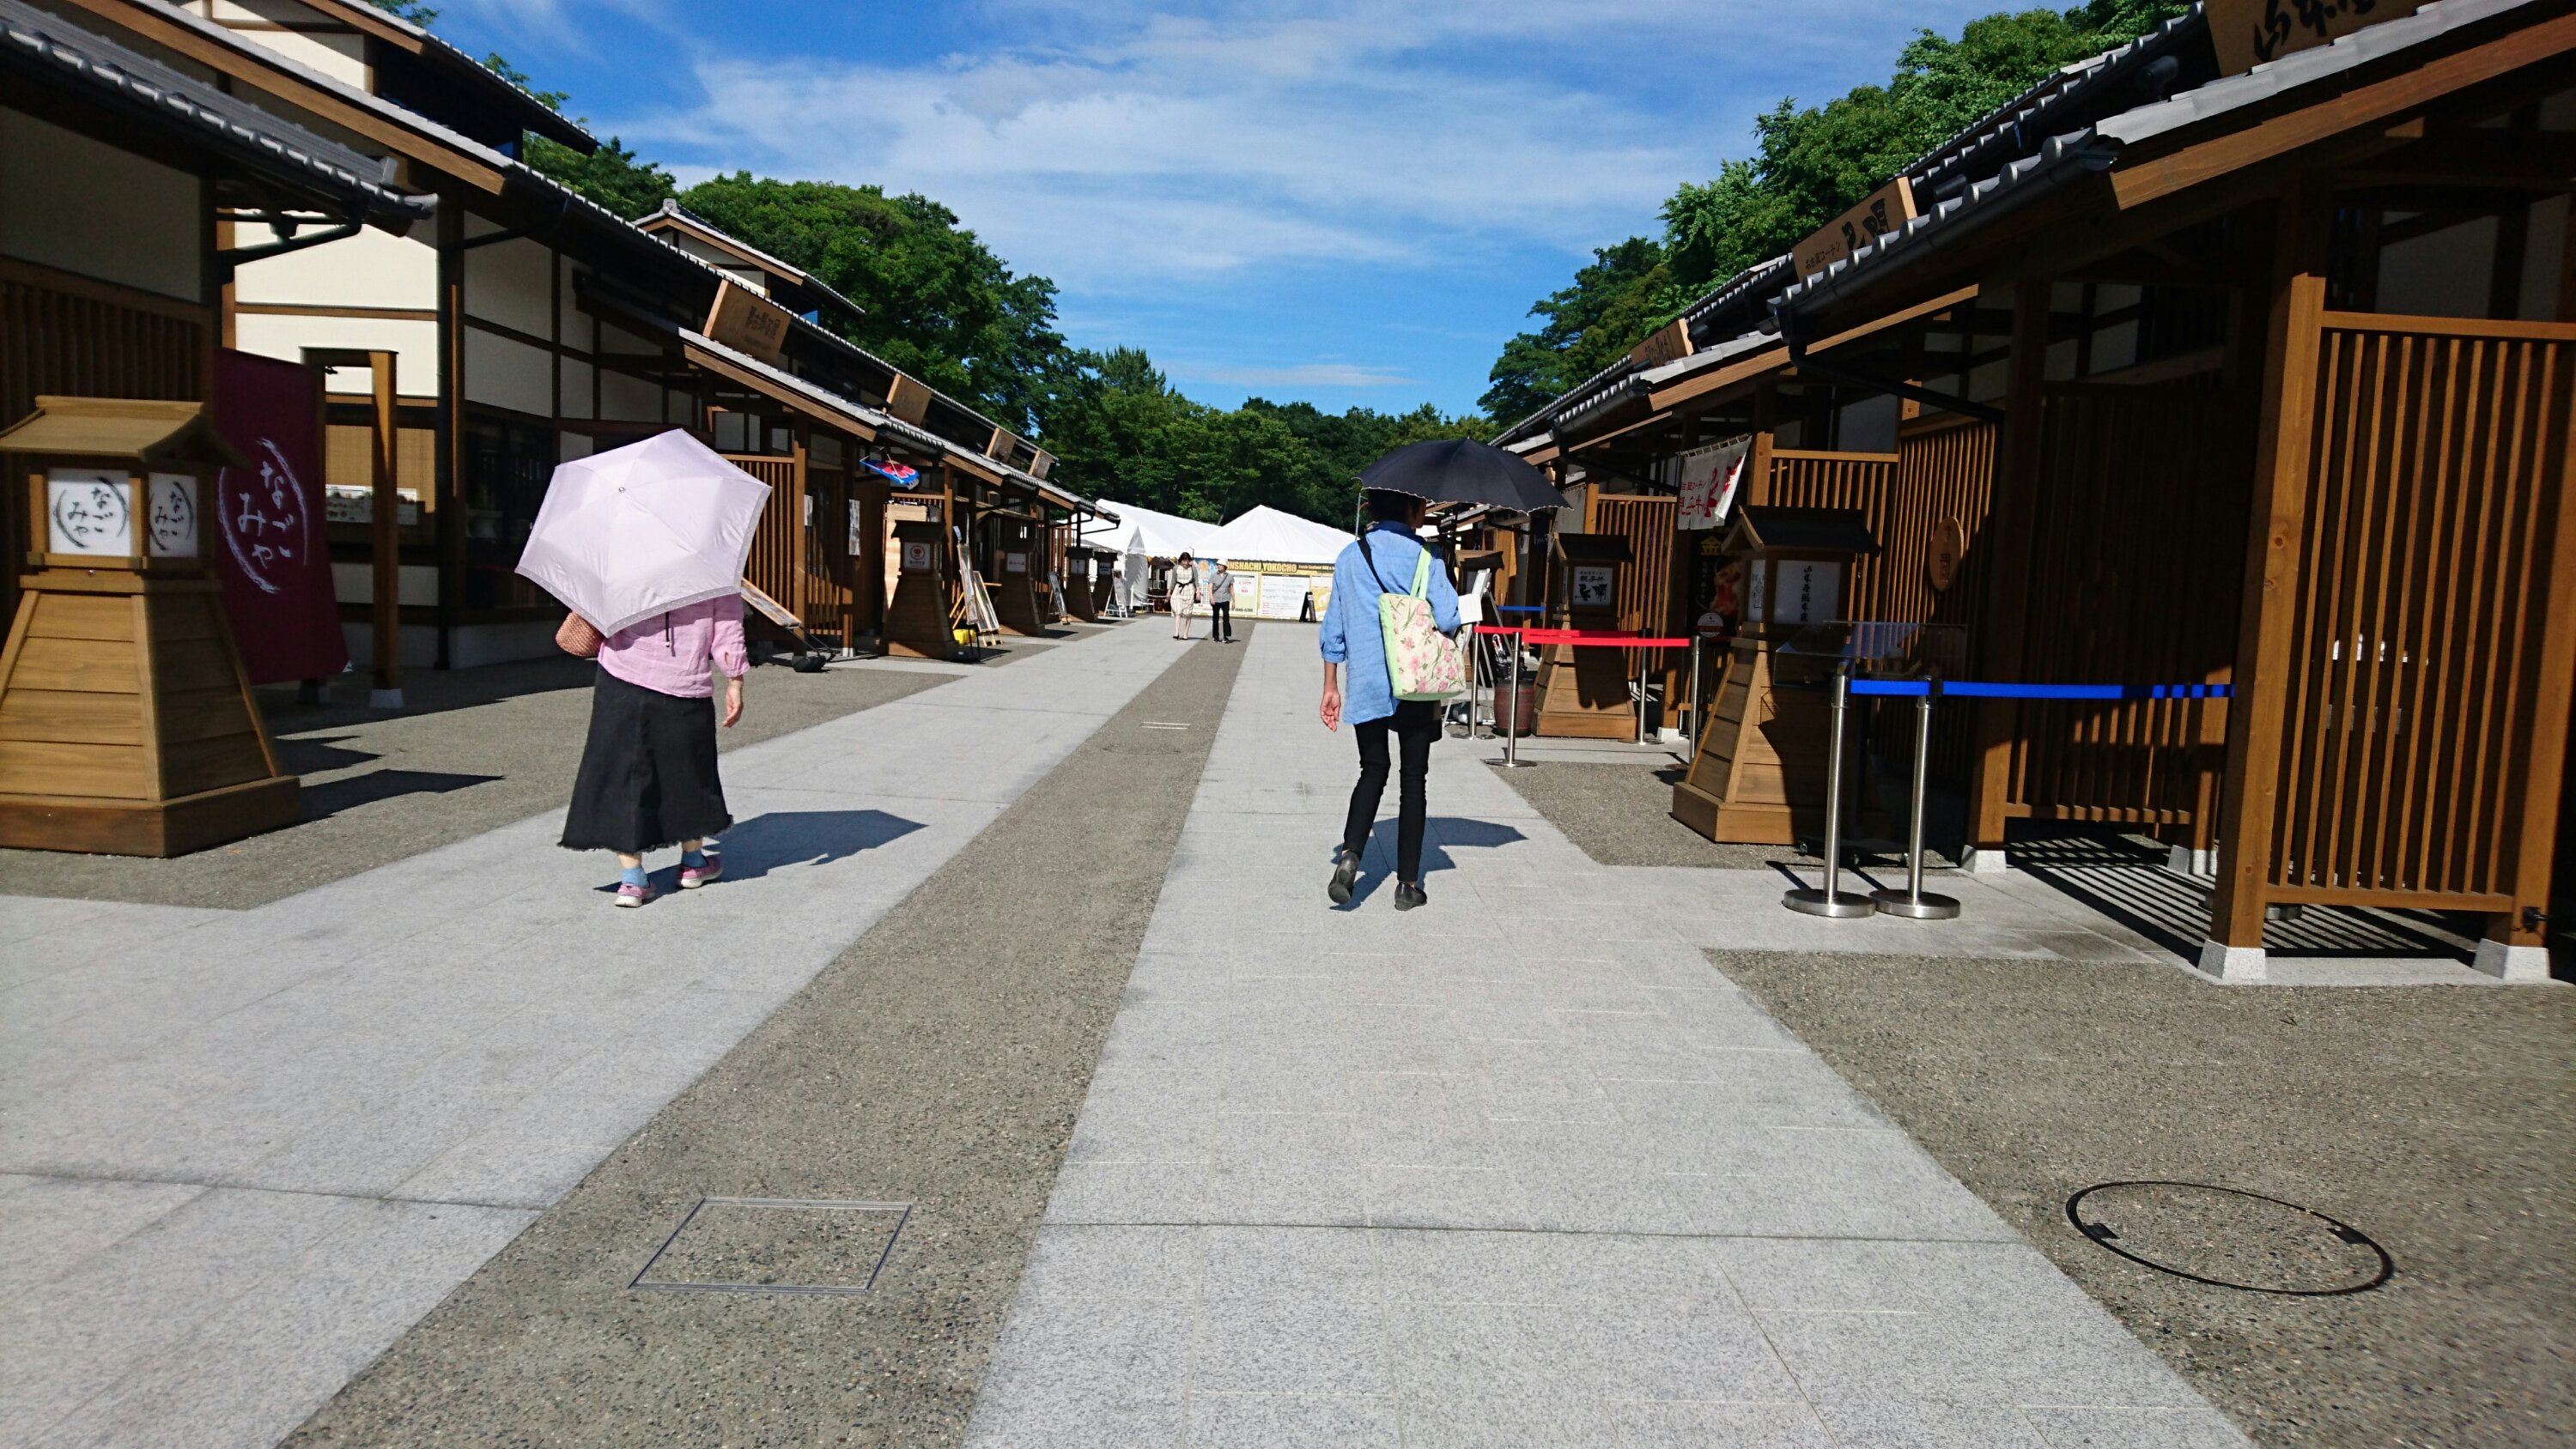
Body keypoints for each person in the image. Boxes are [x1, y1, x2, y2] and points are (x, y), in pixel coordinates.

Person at [1319, 489, 1461, 910]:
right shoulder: (1426, 556)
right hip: (1414, 681)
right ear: (1412, 508)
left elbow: (1333, 629)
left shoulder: (1349, 556)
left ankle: (1350, 855)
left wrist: (1331, 687)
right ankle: (1407, 885)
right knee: (1413, 779)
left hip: (1366, 682)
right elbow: (1450, 616)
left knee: (1372, 769)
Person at [561, 597, 748, 906]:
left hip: (622, 673)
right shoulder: (712, 565)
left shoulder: (626, 559)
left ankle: (633, 880)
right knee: (690, 772)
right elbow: (727, 624)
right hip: (684, 678)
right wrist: (734, 679)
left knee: (624, 773)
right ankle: (693, 863)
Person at [1170, 553, 1198, 640]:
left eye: (1187, 561)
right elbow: (1173, 580)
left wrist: (1198, 591)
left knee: (1188, 613)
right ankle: (1176, 633)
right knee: (1178, 611)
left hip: (1189, 590)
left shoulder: (1193, 568)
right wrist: (1169, 591)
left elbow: (1196, 580)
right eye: (1184, 561)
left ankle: (1185, 633)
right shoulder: (1176, 568)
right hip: (1178, 590)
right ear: (1180, 560)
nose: (1186, 563)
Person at [1207, 559, 1235, 643]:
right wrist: (1211, 598)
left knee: (1226, 617)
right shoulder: (1213, 575)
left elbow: (1232, 589)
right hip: (1215, 600)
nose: (1218, 566)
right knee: (1215, 618)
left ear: (1225, 566)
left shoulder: (1230, 576)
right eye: (1218, 564)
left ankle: (1226, 636)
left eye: (1221, 565)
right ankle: (1216, 636)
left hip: (1226, 599)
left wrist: (1234, 601)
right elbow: (1210, 587)